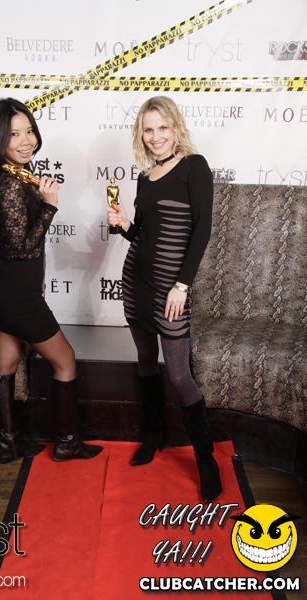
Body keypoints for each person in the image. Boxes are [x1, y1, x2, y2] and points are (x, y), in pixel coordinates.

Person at [106, 96, 221, 503]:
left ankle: (206, 460)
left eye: (162, 127)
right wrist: (124, 225)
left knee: (178, 374)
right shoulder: (144, 177)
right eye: (148, 129)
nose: (155, 136)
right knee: (144, 359)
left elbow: (201, 231)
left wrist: (182, 286)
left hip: (171, 289)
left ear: (175, 128)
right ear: (141, 134)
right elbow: (142, 235)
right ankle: (154, 435)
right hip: (135, 281)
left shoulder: (195, 166)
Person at [0, 97, 102, 465]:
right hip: (18, 297)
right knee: (65, 361)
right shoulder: (10, 185)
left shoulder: (14, 175)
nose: (25, 140)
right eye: (14, 134)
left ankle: (8, 445)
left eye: (29, 130)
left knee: (7, 364)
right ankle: (68, 443)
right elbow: (22, 248)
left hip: (5, 291)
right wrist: (49, 205)